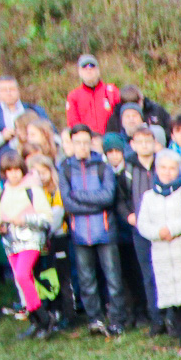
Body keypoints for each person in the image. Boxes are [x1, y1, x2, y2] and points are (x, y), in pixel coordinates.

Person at [57, 122, 128, 335]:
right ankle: (94, 319)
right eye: (77, 142)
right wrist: (92, 202)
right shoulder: (65, 168)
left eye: (85, 142)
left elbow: (107, 197)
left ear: (91, 143)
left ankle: (117, 319)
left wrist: (79, 196)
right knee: (86, 279)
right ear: (71, 143)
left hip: (105, 230)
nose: (82, 146)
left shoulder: (102, 166)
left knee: (113, 278)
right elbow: (67, 203)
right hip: (79, 233)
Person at [136, 148, 181, 354]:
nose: (167, 172)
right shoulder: (149, 196)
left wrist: (172, 229)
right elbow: (142, 224)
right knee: (175, 301)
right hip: (162, 253)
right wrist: (158, 232)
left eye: (172, 168)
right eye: (163, 168)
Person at [0, 151, 59, 338]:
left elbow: (46, 218)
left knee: (22, 274)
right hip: (11, 242)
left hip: (31, 240)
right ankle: (36, 321)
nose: (13, 174)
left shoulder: (32, 190)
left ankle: (45, 318)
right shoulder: (1, 192)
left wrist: (25, 219)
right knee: (22, 281)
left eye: (17, 170)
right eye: (9, 171)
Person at [116, 124, 163, 333]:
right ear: (133, 145)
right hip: (140, 230)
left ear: (154, 143)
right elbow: (120, 199)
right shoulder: (127, 170)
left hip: (163, 228)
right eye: (140, 142)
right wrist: (129, 215)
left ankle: (171, 317)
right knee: (148, 274)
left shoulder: (162, 165)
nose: (144, 146)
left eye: (148, 141)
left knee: (164, 272)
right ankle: (156, 318)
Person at [0, 77, 49, 179]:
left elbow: (50, 132)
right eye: (4, 90)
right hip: (1, 168)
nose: (9, 93)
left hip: (33, 165)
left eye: (12, 89)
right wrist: (0, 138)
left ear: (18, 90)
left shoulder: (35, 110)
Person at [65, 54, 120, 137]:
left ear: (98, 70)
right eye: (84, 67)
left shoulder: (112, 91)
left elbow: (120, 115)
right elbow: (73, 123)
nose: (89, 70)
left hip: (110, 138)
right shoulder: (73, 96)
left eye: (92, 66)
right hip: (88, 141)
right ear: (79, 72)